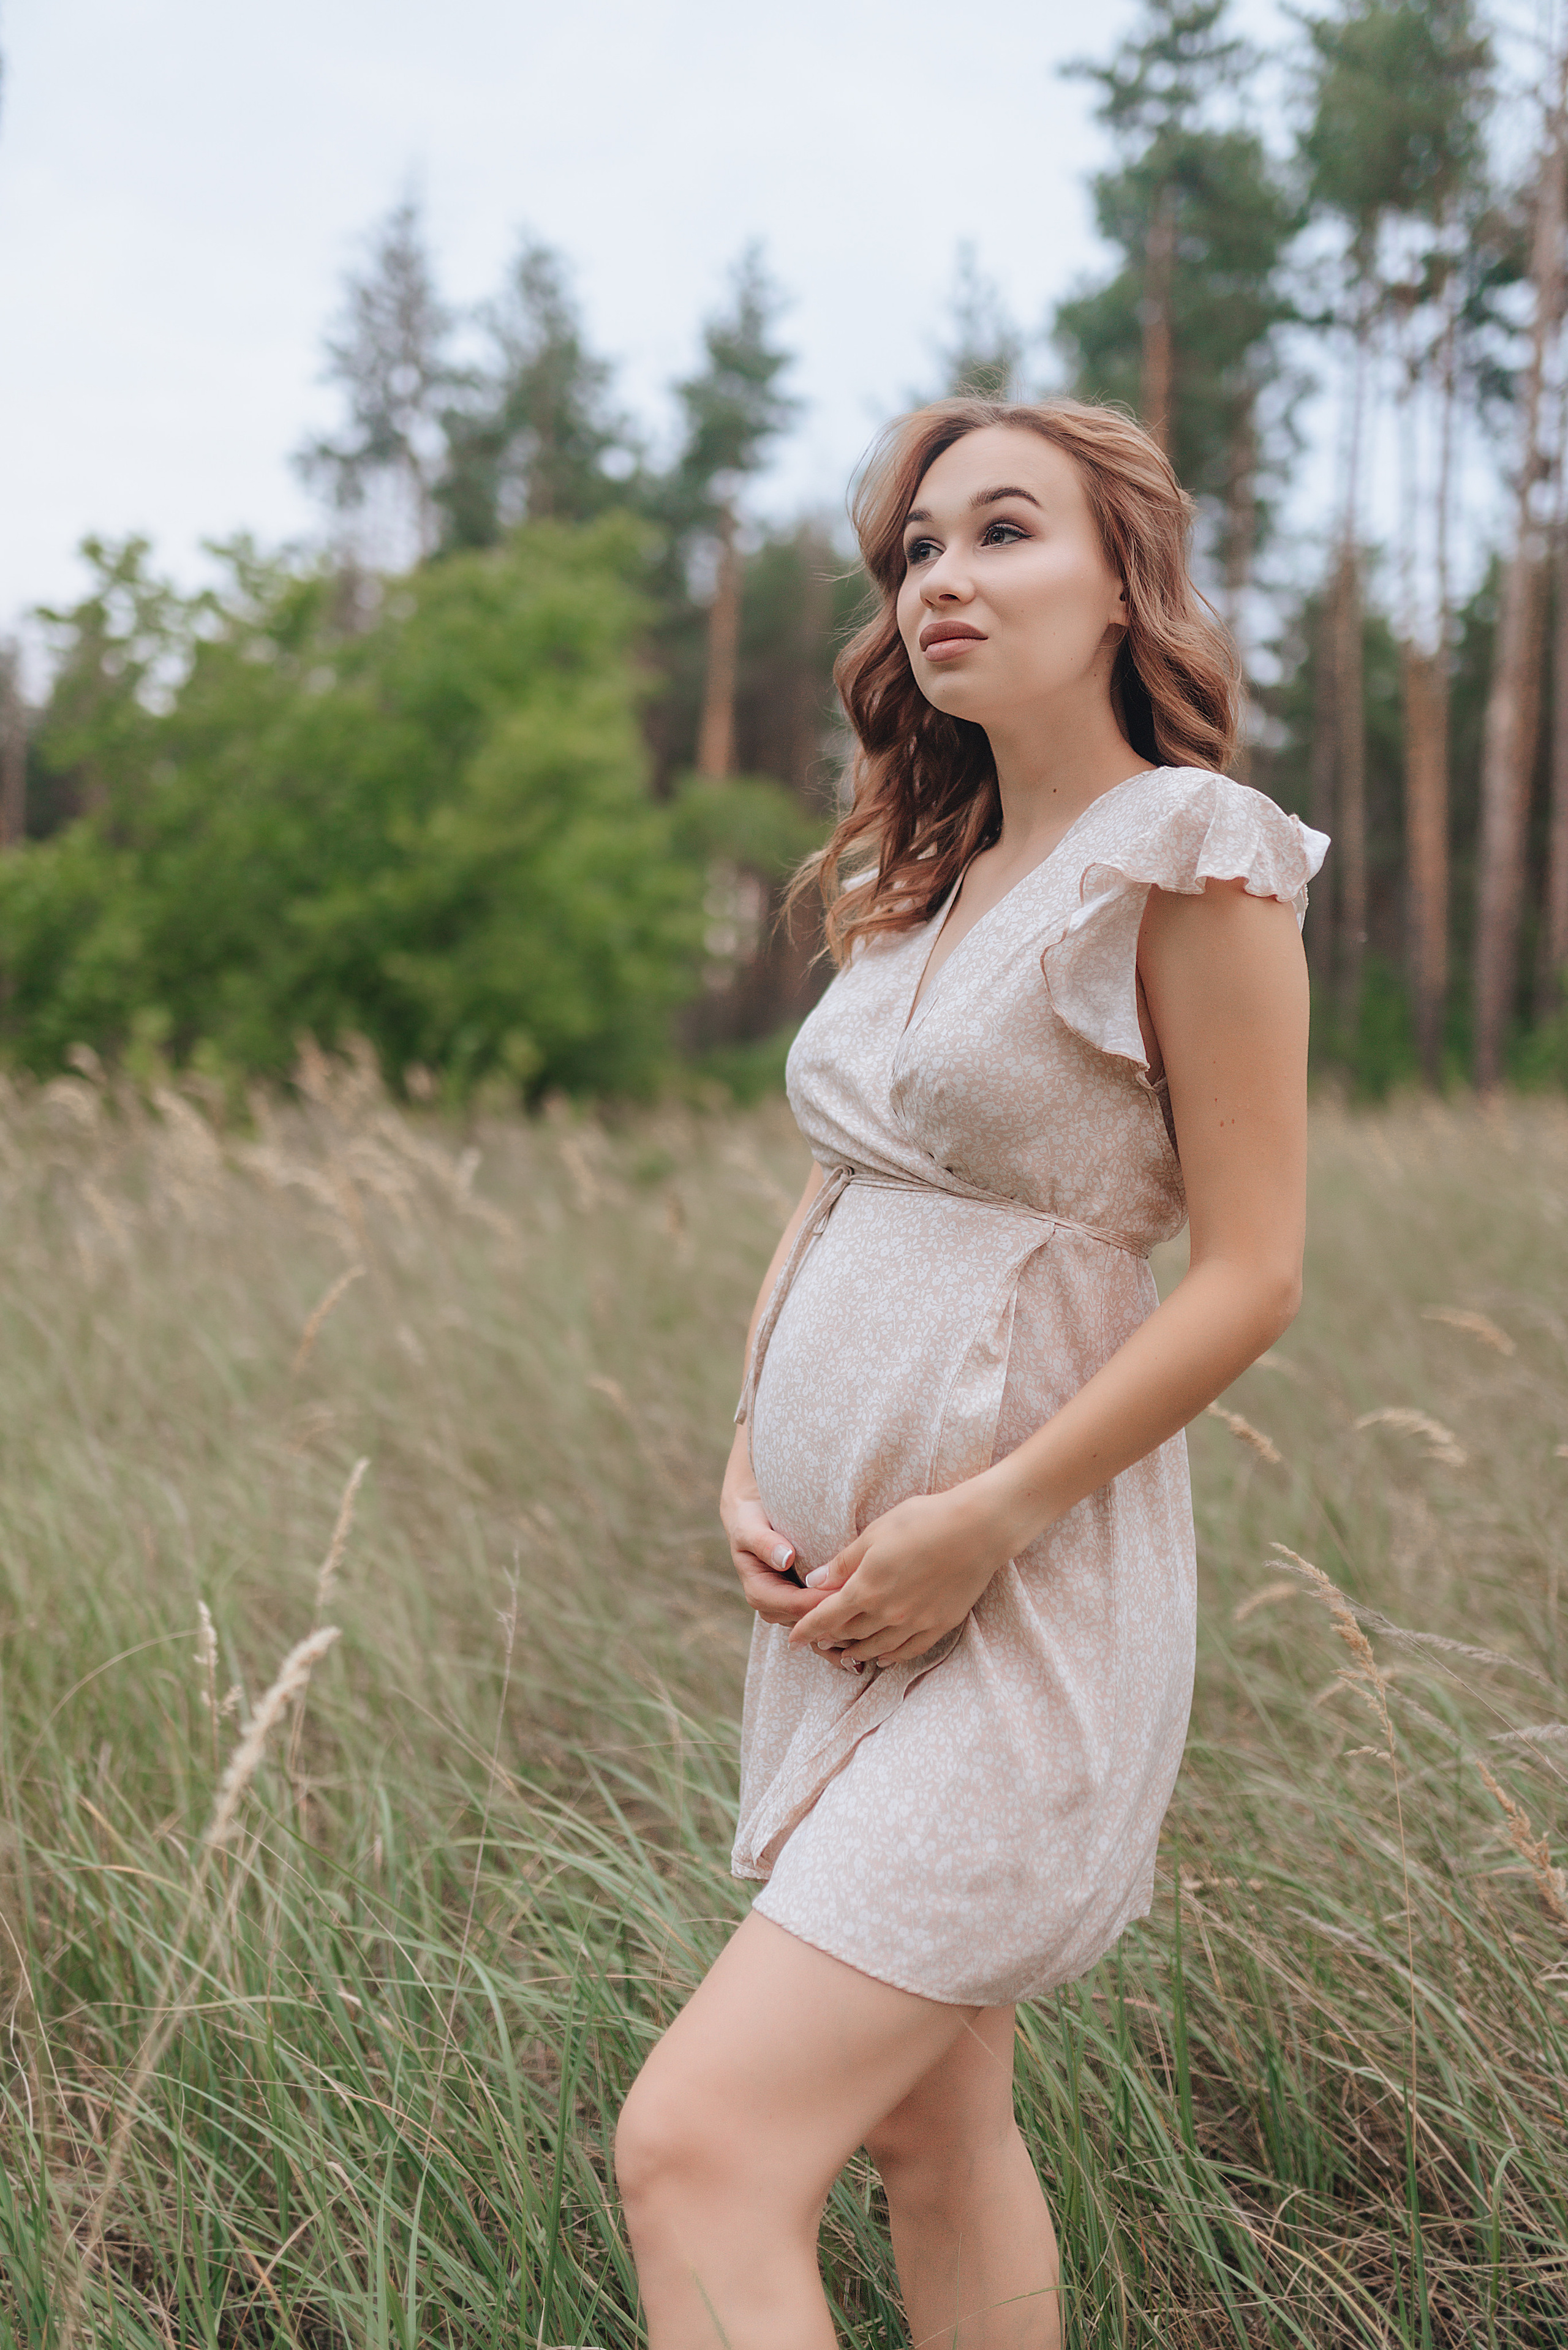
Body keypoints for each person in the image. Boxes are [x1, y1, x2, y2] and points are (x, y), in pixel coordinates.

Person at [614, 397, 1329, 2349]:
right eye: (915, 549)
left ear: (1122, 583)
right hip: (843, 1597)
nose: (942, 578)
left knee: (695, 2153)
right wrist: (750, 1456)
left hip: (1025, 1605)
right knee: (934, 2139)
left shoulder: (1191, 854)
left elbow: (1254, 1272)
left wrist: (985, 1515)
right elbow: (842, 1190)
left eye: (1003, 532)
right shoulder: (920, 882)